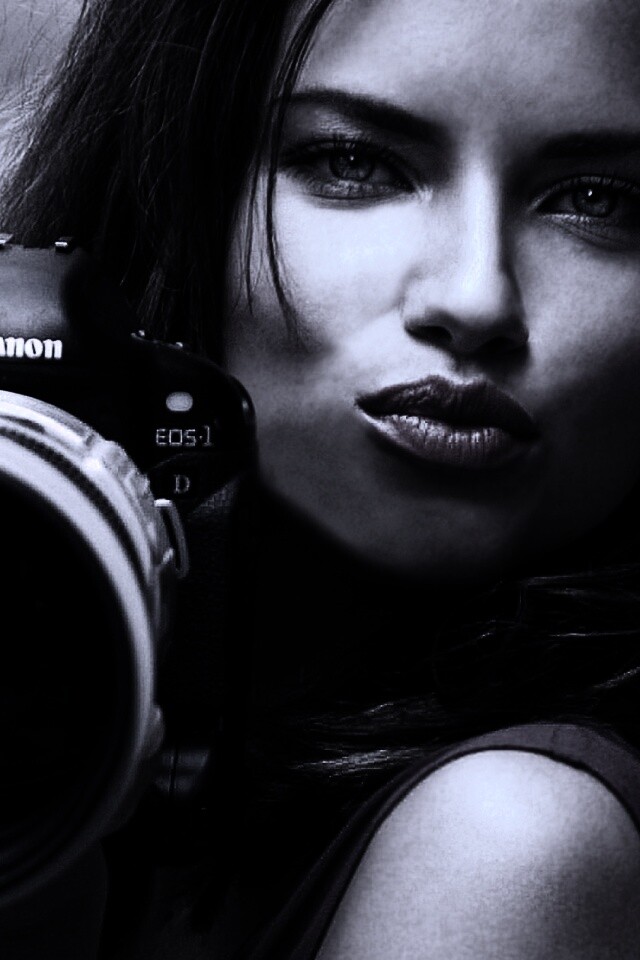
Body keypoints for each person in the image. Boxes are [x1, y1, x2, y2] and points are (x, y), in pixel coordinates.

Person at [3, 0, 640, 957]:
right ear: (174, 183)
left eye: (596, 198)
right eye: (356, 164)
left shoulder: (507, 842)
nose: (475, 296)